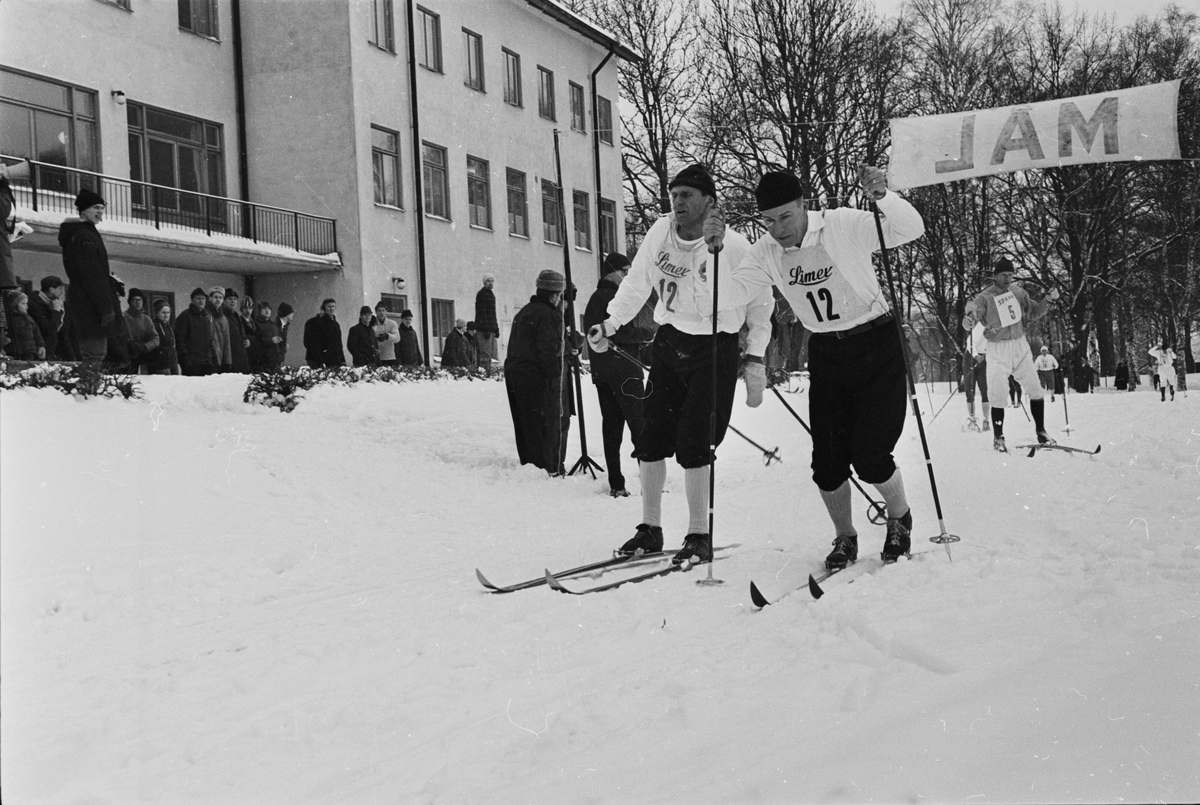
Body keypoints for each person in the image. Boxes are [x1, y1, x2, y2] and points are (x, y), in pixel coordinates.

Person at [717, 166, 925, 570]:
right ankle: (845, 537)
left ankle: (899, 517)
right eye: (769, 220)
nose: (777, 229)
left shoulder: (841, 223)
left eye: (785, 217)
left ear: (803, 206)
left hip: (877, 342)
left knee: (870, 455)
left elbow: (909, 229)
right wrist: (716, 249)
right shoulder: (765, 251)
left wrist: (884, 195)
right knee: (827, 462)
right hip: (828, 351)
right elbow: (733, 291)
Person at [587, 164, 773, 564]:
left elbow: (761, 303)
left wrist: (755, 356)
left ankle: (698, 534)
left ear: (710, 202)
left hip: (714, 347)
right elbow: (637, 280)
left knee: (696, 440)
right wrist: (611, 322)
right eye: (674, 195)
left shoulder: (735, 246)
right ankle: (650, 528)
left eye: (687, 195)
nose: (679, 202)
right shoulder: (661, 231)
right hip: (669, 341)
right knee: (651, 435)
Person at [963, 257, 1059, 453]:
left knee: (1035, 388)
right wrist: (969, 318)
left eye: (1010, 275)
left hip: (1020, 346)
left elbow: (1033, 312)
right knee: (997, 394)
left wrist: (1049, 300)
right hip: (997, 349)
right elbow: (972, 315)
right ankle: (998, 438)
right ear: (995, 276)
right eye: (1003, 275)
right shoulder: (985, 296)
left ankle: (1041, 431)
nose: (1007, 279)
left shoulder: (1018, 292)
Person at [583, 252, 646, 497]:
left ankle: (616, 485)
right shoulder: (618, 299)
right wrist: (645, 334)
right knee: (640, 427)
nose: (628, 277)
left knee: (611, 429)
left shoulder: (593, 299)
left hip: (603, 375)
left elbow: (592, 333)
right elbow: (622, 332)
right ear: (613, 272)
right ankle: (650, 484)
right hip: (626, 371)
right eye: (626, 272)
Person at [505, 270, 571, 475]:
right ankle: (549, 466)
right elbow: (550, 351)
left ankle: (531, 464)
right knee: (547, 423)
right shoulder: (549, 315)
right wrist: (555, 380)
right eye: (560, 296)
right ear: (554, 295)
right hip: (536, 376)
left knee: (526, 424)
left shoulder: (525, 311)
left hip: (516, 374)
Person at [59, 188, 126, 365]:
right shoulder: (84, 236)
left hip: (86, 301)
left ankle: (90, 388)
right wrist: (105, 308)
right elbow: (92, 275)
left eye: (102, 208)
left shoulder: (84, 233)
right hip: (91, 305)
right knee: (94, 355)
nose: (100, 212)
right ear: (83, 210)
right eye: (96, 207)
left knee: (96, 354)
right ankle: (88, 390)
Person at [175, 287, 216, 376]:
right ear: (192, 300)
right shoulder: (185, 316)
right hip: (191, 363)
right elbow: (180, 340)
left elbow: (210, 341)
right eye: (198, 298)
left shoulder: (206, 318)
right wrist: (185, 359)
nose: (201, 301)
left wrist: (213, 358)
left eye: (203, 299)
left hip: (206, 363)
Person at [27, 276, 66, 361]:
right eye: (59, 289)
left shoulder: (52, 303)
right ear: (51, 289)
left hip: (51, 348)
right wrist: (56, 311)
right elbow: (49, 328)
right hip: (40, 349)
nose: (62, 292)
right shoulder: (34, 305)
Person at [123, 288, 159, 373]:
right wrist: (131, 344)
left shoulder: (147, 319)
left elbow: (155, 338)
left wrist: (146, 347)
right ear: (130, 302)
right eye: (134, 300)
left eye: (140, 300)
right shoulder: (123, 317)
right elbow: (121, 336)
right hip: (127, 355)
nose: (137, 302)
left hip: (144, 354)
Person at [962, 321, 990, 432]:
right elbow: (970, 342)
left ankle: (986, 420)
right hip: (971, 357)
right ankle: (972, 418)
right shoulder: (982, 325)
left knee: (985, 389)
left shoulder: (999, 327)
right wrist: (976, 355)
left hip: (984, 359)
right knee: (970, 390)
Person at [303, 298, 345, 368]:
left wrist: (342, 360)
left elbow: (339, 344)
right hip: (323, 359)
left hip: (335, 359)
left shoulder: (336, 324)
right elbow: (314, 343)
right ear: (324, 308)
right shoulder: (316, 323)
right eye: (329, 306)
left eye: (333, 306)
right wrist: (320, 361)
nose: (331, 309)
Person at [5, 292, 44, 360]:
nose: (26, 306)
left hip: (30, 351)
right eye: (23, 303)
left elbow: (37, 333)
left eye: (26, 303)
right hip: (14, 351)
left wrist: (41, 345)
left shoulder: (29, 319)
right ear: (14, 305)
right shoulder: (9, 319)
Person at [146, 299, 179, 375]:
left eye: (168, 313)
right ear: (157, 313)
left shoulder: (168, 327)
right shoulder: (153, 326)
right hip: (160, 365)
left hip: (172, 363)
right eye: (163, 312)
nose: (166, 315)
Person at [221, 288, 250, 373]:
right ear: (224, 301)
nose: (232, 301)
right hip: (230, 358)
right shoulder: (222, 316)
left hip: (241, 357)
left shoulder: (237, 316)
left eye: (234, 299)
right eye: (229, 299)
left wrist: (247, 341)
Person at [474, 274, 499, 370]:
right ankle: (484, 372)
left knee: (490, 354)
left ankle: (487, 371)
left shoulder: (491, 294)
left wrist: (496, 329)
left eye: (492, 281)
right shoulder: (482, 294)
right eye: (488, 281)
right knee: (485, 353)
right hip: (485, 329)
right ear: (484, 282)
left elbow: (493, 313)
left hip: (490, 328)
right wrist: (486, 328)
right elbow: (482, 312)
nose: (491, 283)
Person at [253, 301, 286, 372]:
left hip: (276, 362)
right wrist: (270, 340)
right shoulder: (256, 324)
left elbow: (281, 342)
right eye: (264, 308)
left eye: (268, 308)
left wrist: (282, 355)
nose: (267, 310)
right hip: (263, 363)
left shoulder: (274, 325)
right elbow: (255, 341)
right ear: (259, 311)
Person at [372, 301, 401, 367]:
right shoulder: (372, 324)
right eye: (379, 311)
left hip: (390, 357)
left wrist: (387, 336)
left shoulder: (392, 323)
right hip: (377, 358)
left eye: (383, 310)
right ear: (376, 312)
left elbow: (397, 338)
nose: (381, 313)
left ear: (386, 312)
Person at [240, 294, 259, 371]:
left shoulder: (255, 323)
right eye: (245, 308)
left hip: (255, 356)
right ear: (241, 309)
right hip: (246, 356)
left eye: (250, 308)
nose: (248, 311)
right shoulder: (240, 321)